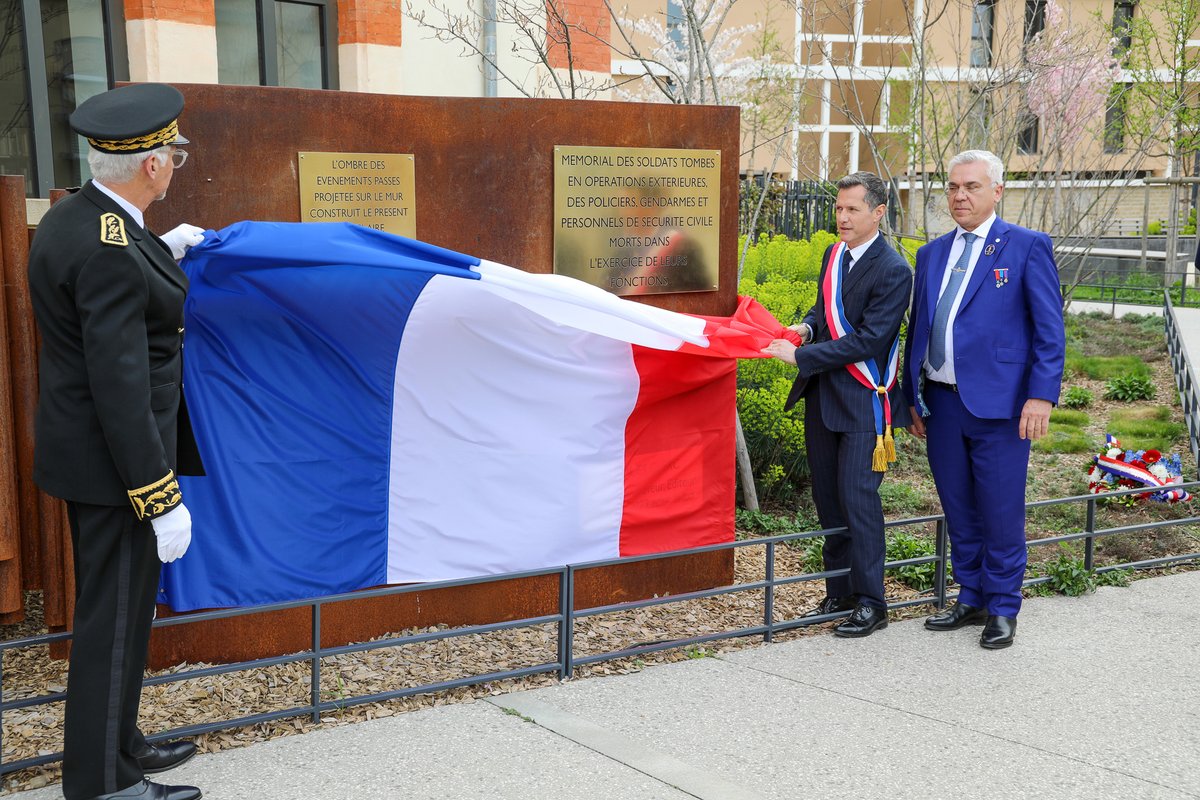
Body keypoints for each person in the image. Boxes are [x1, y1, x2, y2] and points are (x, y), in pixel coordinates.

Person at [28, 83, 207, 800]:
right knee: (114, 623)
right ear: (151, 166)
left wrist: (159, 252)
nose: (174, 165)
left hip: (95, 459)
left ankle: (119, 746)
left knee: (126, 616)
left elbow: (107, 291)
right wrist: (158, 495)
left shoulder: (87, 220)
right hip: (117, 469)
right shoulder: (108, 245)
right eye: (174, 155)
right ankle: (103, 784)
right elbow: (121, 384)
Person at [902, 149, 1065, 650]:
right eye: (952, 186)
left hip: (1002, 407)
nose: (959, 195)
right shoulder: (931, 254)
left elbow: (1049, 331)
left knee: (999, 510)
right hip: (942, 404)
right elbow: (920, 329)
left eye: (971, 186)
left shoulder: (1026, 246)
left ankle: (1002, 606)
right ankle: (970, 595)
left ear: (997, 190)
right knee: (959, 506)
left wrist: (1041, 396)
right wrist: (913, 394)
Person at [762, 172, 913, 638]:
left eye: (852, 209)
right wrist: (806, 330)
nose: (842, 217)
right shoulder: (833, 254)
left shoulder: (894, 270)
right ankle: (839, 593)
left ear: (878, 212)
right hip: (823, 398)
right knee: (828, 503)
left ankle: (872, 601)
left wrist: (800, 356)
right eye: (839, 208)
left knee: (858, 502)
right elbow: (820, 310)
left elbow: (870, 340)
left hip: (864, 404)